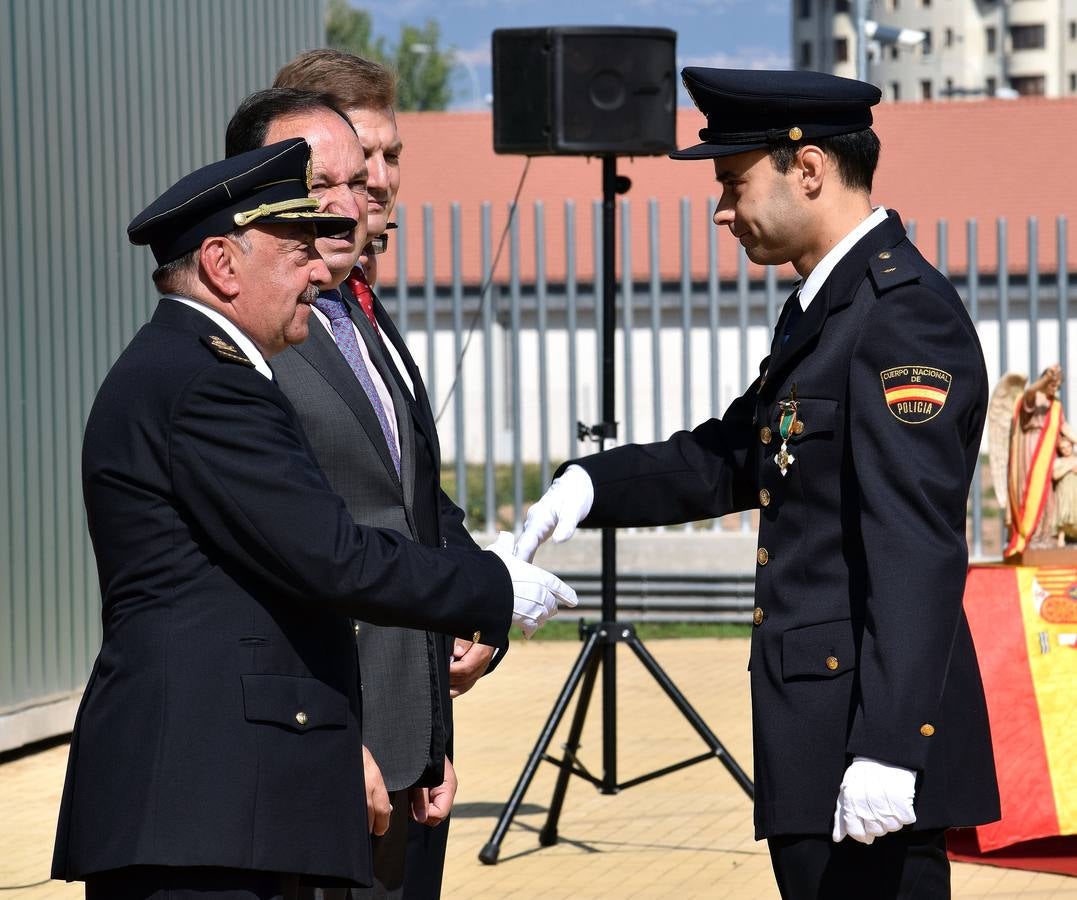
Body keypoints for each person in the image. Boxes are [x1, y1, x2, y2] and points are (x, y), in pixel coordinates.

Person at [516, 68, 999, 900]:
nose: (721, 212)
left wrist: (887, 746)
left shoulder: (897, 315)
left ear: (805, 169)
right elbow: (740, 454)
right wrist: (584, 488)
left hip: (862, 751)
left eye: (732, 184)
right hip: (819, 740)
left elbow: (915, 545)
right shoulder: (830, 309)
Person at [51, 138, 576, 900]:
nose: (320, 270)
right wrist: (492, 585)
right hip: (202, 804)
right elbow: (331, 556)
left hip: (221, 800)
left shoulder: (195, 366)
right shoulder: (208, 384)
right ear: (224, 265)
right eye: (295, 251)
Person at [270, 50, 493, 899]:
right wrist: (339, 737)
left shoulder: (360, 307)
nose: (378, 179)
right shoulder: (272, 326)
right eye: (359, 159)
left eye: (391, 156)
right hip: (331, 738)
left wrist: (478, 605)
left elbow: (412, 499)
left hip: (410, 740)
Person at [1005, 363, 1070, 556]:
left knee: (1048, 494)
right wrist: (1045, 379)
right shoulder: (1035, 396)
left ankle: (1045, 536)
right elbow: (1029, 393)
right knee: (1030, 491)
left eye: (1058, 385)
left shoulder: (1056, 404)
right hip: (1031, 447)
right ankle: (1030, 536)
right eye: (1053, 383)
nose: (1055, 388)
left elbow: (1064, 429)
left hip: (1048, 451)